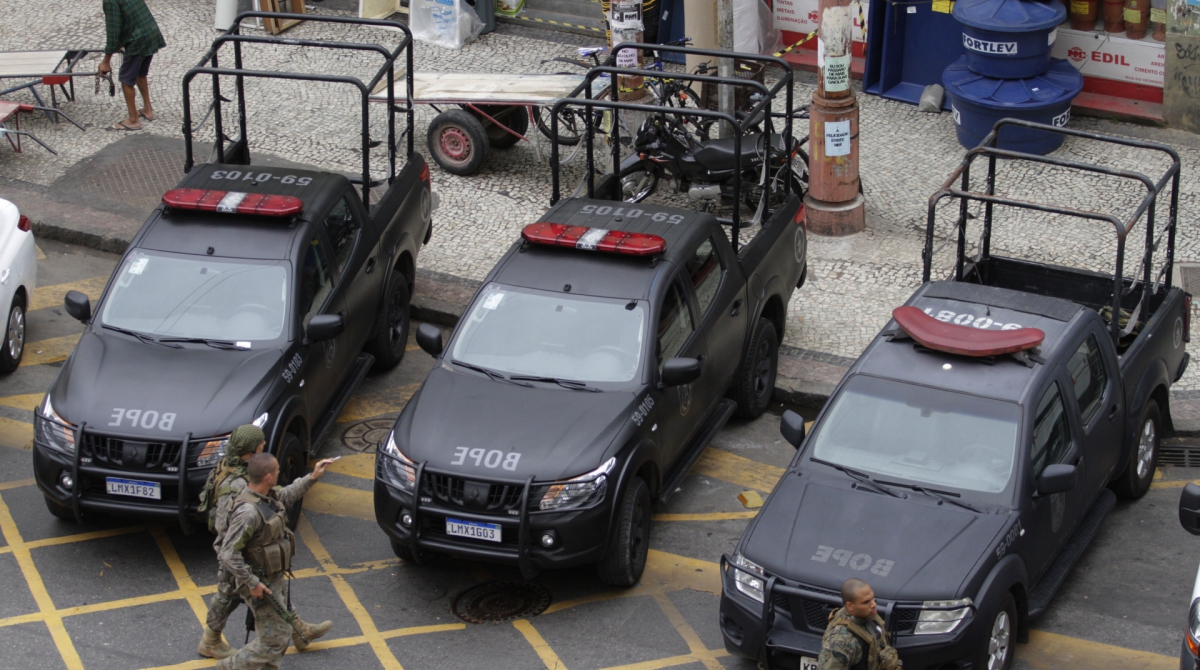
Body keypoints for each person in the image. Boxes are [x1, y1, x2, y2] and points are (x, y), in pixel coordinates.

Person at [197, 425, 331, 659]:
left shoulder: (242, 469)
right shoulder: (237, 486)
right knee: (228, 595)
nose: (264, 449)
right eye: (261, 447)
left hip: (247, 550)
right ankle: (211, 641)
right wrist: (246, 569)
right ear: (250, 451)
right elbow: (225, 528)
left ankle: (299, 632)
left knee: (272, 588)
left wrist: (311, 478)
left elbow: (278, 497)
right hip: (240, 552)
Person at [97, 0, 166, 131]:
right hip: (150, 33)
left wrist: (106, 61)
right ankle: (147, 109)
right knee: (140, 73)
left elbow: (113, 32)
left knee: (126, 80)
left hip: (137, 40)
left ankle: (133, 120)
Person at [818, 578, 902, 670]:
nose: (873, 605)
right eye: (866, 602)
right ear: (850, 606)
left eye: (873, 598)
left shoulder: (867, 614)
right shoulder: (842, 641)